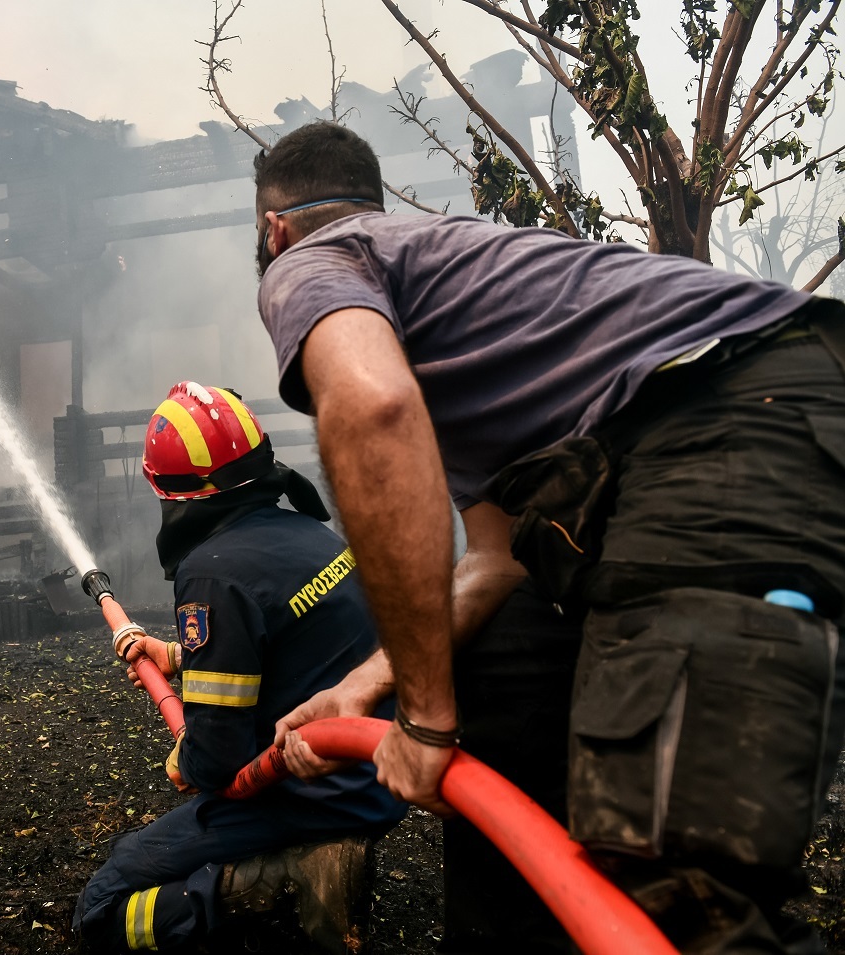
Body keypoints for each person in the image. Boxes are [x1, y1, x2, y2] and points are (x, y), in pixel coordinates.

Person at [251, 119, 845, 954]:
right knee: (508, 673)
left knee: (670, 891)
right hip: (754, 403)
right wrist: (365, 688)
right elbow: (494, 565)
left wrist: (424, 722)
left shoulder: (314, 260)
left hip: (731, 419)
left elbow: (375, 411)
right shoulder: (457, 279)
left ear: (274, 227)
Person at [72, 381, 406, 953]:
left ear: (174, 493)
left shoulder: (214, 571)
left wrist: (189, 757)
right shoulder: (307, 534)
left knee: (103, 909)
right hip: (372, 778)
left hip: (310, 798)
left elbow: (217, 758)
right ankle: (296, 866)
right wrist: (177, 658)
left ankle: (278, 883)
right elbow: (290, 652)